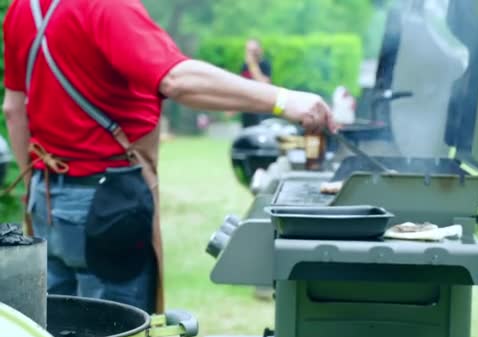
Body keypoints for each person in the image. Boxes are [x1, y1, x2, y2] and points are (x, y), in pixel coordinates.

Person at [2, 0, 335, 314]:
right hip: (107, 206)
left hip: (46, 202)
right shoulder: (107, 6)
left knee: (59, 325)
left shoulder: (23, 7)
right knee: (116, 327)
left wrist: (39, 189)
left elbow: (14, 111)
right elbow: (177, 80)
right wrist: (281, 99)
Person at [239, 39, 274, 128]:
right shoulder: (244, 66)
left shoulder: (264, 64)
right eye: (248, 51)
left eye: (253, 51)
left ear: (260, 50)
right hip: (246, 108)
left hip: (260, 108)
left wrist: (252, 64)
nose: (250, 54)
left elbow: (264, 85)